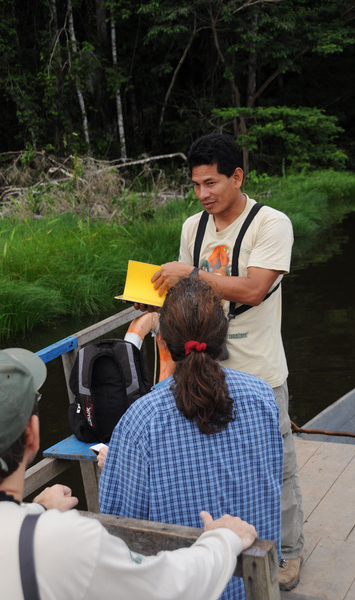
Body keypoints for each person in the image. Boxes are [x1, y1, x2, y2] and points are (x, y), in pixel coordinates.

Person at [136, 133, 304, 591]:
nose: (203, 195)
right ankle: (225, 543)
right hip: (205, 368)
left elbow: (253, 289)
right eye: (195, 185)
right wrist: (157, 306)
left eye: (211, 183)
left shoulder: (271, 224)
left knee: (278, 466)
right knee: (213, 462)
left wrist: (187, 273)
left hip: (259, 369)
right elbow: (189, 293)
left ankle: (289, 552)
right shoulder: (194, 227)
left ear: (237, 177)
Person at [0, 344, 257, 600]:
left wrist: (36, 509)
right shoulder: (64, 541)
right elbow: (168, 587)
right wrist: (223, 540)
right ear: (32, 435)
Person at [99, 276, 283, 600]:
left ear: (165, 343)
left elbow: (119, 531)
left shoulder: (141, 421)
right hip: (256, 585)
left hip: (187, 590)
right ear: (222, 334)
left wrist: (114, 463)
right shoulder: (262, 397)